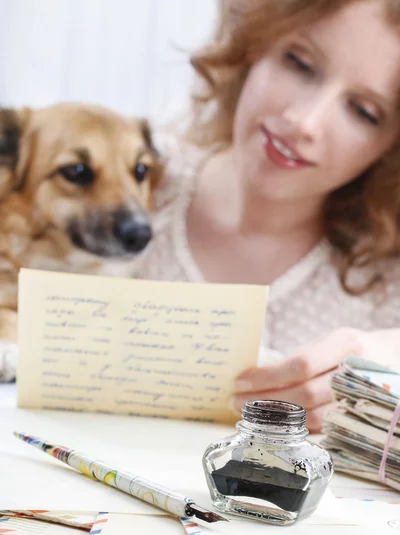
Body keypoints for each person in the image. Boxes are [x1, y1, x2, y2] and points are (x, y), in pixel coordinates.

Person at [135, 0, 400, 432]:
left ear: (390, 150)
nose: (304, 122)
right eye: (299, 63)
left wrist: (391, 361)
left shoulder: (384, 286)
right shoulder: (123, 184)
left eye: (364, 111)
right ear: (255, 43)